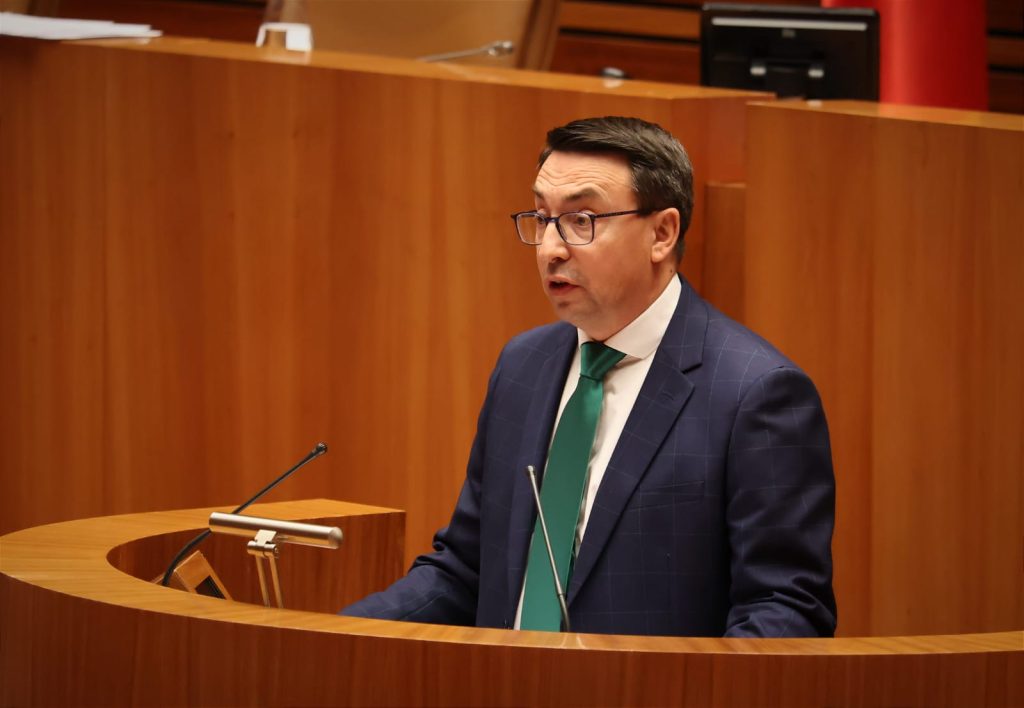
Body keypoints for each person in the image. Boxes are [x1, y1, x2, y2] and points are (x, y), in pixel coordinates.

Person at [342, 116, 837, 637]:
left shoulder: (755, 394)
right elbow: (467, 570)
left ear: (662, 233)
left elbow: (784, 610)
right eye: (542, 218)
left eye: (581, 220)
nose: (551, 249)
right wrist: (335, 637)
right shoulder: (523, 366)